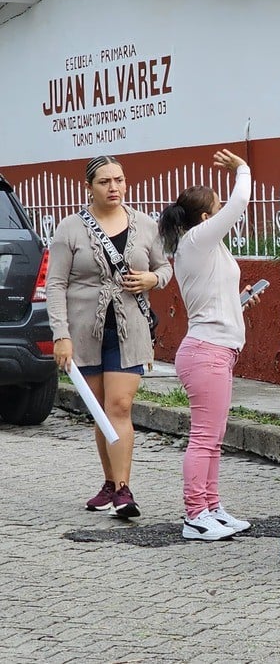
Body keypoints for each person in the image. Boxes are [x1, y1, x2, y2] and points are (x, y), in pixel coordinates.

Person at [46, 155, 173, 518]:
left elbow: (164, 267)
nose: (113, 187)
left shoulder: (145, 225)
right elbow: (55, 284)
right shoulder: (70, 228)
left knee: (119, 407)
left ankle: (123, 490)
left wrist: (152, 279)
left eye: (118, 179)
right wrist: (61, 335)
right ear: (90, 187)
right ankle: (109, 481)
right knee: (101, 411)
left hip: (129, 329)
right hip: (84, 332)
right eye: (104, 181)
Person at [160, 150, 262, 541]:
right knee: (205, 437)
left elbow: (212, 301)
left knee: (213, 437)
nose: (223, 213)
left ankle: (211, 507)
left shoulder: (204, 247)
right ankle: (193, 515)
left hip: (214, 348)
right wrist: (242, 169)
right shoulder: (197, 239)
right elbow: (239, 201)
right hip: (206, 352)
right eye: (215, 209)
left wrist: (241, 299)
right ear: (205, 218)